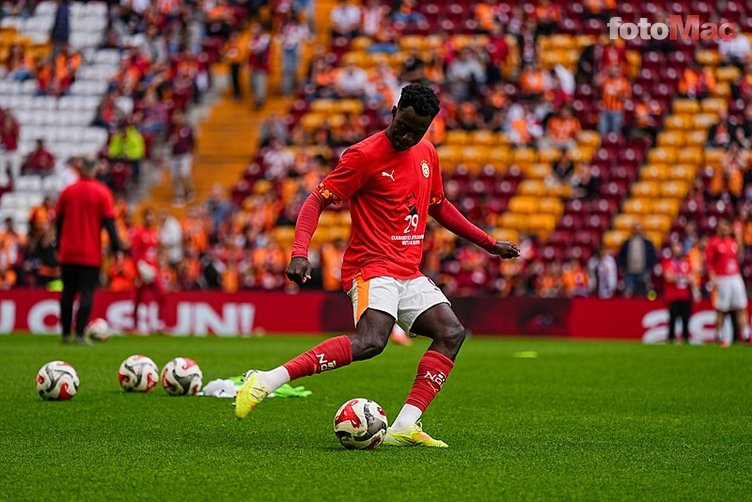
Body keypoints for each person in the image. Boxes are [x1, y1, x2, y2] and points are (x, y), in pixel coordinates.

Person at [233, 84, 520, 446]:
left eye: (417, 131)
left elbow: (440, 206)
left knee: (451, 333)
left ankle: (404, 426)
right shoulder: (363, 156)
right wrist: (299, 252)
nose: (407, 136)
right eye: (403, 126)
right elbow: (316, 200)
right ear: (394, 111)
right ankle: (266, 380)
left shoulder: (427, 153)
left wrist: (490, 244)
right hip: (371, 267)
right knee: (372, 341)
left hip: (408, 271)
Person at [56, 158, 121, 345]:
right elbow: (110, 223)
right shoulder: (102, 192)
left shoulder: (68, 191)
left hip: (68, 252)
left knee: (67, 293)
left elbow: (58, 221)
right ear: (95, 169)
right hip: (89, 253)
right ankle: (79, 335)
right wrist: (117, 248)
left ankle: (66, 334)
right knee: (86, 293)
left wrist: (59, 246)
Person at [705, 219, 749, 347]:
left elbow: (739, 258)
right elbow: (709, 263)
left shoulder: (732, 242)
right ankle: (719, 335)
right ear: (718, 229)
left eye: (727, 227)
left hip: (735, 276)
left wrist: (740, 240)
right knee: (721, 309)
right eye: (723, 227)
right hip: (722, 278)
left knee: (741, 306)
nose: (725, 229)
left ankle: (746, 335)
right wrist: (713, 277)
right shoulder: (713, 243)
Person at [130, 208, 165, 334]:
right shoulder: (138, 233)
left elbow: (155, 253)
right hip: (142, 271)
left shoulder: (154, 233)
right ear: (144, 218)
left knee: (162, 296)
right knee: (138, 299)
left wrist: (157, 267)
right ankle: (135, 326)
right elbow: (135, 252)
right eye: (147, 216)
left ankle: (158, 325)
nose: (150, 219)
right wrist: (139, 268)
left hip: (153, 271)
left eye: (151, 216)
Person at [662, 241, 697, 344]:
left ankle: (686, 339)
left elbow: (692, 277)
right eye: (675, 247)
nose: (677, 249)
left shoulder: (687, 262)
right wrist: (683, 277)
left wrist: (677, 277)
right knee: (672, 318)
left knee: (686, 319)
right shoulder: (668, 262)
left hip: (685, 296)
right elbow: (668, 277)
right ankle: (671, 338)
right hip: (672, 296)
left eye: (679, 247)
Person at [617, 223, 656, 297]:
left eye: (639, 229)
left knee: (644, 293)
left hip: (643, 271)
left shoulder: (647, 243)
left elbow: (652, 256)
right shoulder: (627, 243)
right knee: (628, 292)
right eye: (636, 229)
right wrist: (623, 267)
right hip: (629, 272)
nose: (638, 231)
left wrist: (650, 267)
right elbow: (621, 255)